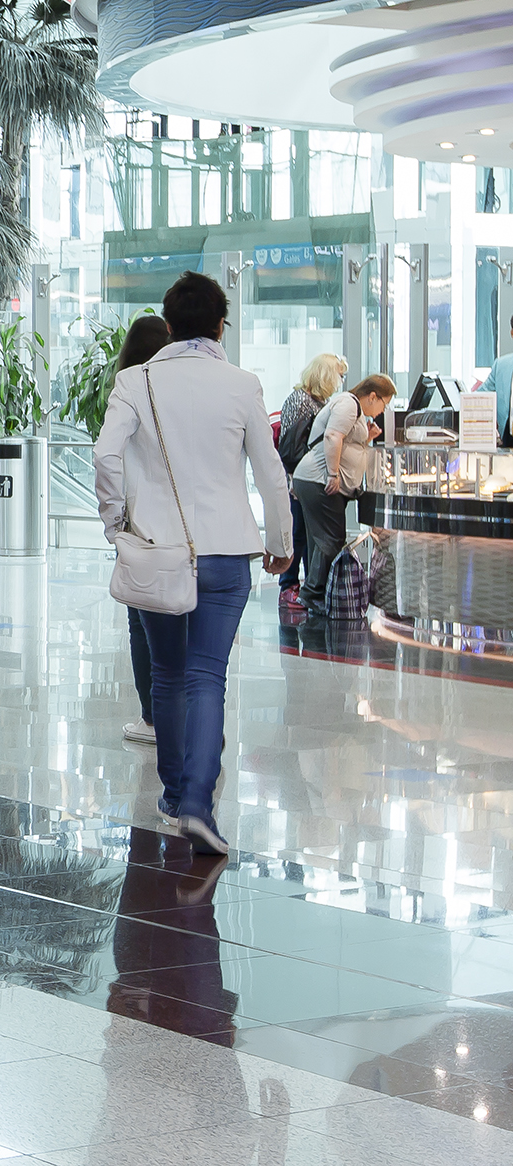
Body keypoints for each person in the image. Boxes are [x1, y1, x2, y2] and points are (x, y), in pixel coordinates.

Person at [94, 271, 293, 855]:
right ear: (220, 326)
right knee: (208, 675)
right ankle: (199, 805)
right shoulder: (242, 384)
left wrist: (116, 522)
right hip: (227, 551)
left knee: (168, 673)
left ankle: (176, 795)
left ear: (168, 324)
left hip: (157, 550)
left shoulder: (134, 381)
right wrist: (281, 539)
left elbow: (106, 455)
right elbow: (270, 471)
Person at [108, 315, 174, 745]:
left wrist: (113, 522)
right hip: (186, 523)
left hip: (139, 524)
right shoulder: (182, 389)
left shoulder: (127, 386)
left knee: (141, 622)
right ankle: (189, 716)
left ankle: (152, 719)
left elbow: (107, 457)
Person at [292, 372, 396, 620]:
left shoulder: (354, 409)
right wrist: (333, 474)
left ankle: (317, 594)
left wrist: (367, 438)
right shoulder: (349, 404)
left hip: (320, 482)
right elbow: (332, 436)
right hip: (319, 481)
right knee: (329, 541)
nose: (382, 410)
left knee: (324, 541)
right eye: (384, 403)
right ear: (373, 396)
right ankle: (313, 595)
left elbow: (346, 442)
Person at [275, 352, 345, 609]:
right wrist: (294, 478)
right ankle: (288, 586)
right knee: (297, 534)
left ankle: (306, 587)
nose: (340, 381)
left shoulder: (319, 401)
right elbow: (290, 446)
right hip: (296, 479)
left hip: (305, 478)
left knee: (307, 534)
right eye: (338, 375)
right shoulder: (300, 400)